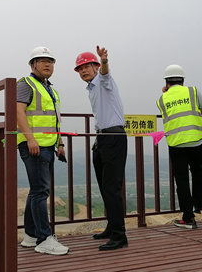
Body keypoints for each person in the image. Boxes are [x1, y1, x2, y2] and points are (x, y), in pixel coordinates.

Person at [75, 46, 128, 251]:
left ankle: (119, 236)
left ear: (96, 67)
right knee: (104, 186)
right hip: (102, 138)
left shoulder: (103, 80)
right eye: (80, 69)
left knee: (111, 187)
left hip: (113, 136)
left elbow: (105, 72)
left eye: (87, 66)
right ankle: (112, 226)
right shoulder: (91, 88)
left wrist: (104, 60)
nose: (83, 71)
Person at [17, 46, 69, 255]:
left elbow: (55, 120)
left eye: (51, 61)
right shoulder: (25, 84)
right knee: (40, 192)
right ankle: (44, 238)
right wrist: (30, 138)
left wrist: (60, 143)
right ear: (33, 65)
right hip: (34, 145)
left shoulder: (51, 90)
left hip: (48, 145)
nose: (48, 64)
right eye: (42, 60)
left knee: (36, 190)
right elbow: (18, 112)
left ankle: (30, 235)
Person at [156, 65, 202, 229]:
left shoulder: (161, 100)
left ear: (166, 82)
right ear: (183, 80)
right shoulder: (193, 91)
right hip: (196, 139)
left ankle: (188, 217)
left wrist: (166, 92)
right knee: (197, 172)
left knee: (182, 179)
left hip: (176, 142)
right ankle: (198, 204)